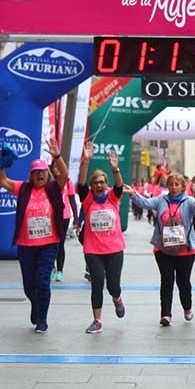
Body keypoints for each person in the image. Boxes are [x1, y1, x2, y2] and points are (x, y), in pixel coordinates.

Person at [0, 138, 69, 334]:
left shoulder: (53, 188)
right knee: (29, 286)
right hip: (26, 245)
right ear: (31, 175)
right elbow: (2, 180)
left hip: (49, 243)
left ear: (47, 174)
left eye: (43, 172)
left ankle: (42, 319)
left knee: (43, 280)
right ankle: (36, 306)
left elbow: (65, 175)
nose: (40, 175)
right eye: (36, 172)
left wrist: (57, 156)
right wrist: (1, 164)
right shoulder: (24, 188)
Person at [131, 171, 195, 326]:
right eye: (171, 184)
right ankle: (166, 314)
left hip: (185, 249)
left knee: (183, 281)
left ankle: (187, 307)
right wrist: (133, 194)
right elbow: (146, 203)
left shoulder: (189, 201)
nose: (173, 187)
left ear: (183, 187)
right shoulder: (161, 200)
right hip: (163, 248)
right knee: (167, 280)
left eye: (176, 185)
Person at [77, 143, 126, 334]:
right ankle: (97, 320)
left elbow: (120, 185)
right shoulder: (87, 199)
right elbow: (80, 184)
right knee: (97, 283)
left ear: (106, 184)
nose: (98, 185)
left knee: (113, 284)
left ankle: (116, 298)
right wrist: (86, 161)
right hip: (93, 250)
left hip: (114, 249)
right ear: (92, 185)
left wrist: (115, 169)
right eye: (95, 182)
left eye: (101, 182)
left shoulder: (113, 198)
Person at [54, 178, 80, 282]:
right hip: (50, 216)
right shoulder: (49, 180)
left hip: (64, 217)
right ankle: (51, 268)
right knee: (50, 244)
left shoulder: (68, 182)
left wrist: (76, 219)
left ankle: (60, 270)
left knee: (60, 243)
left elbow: (72, 200)